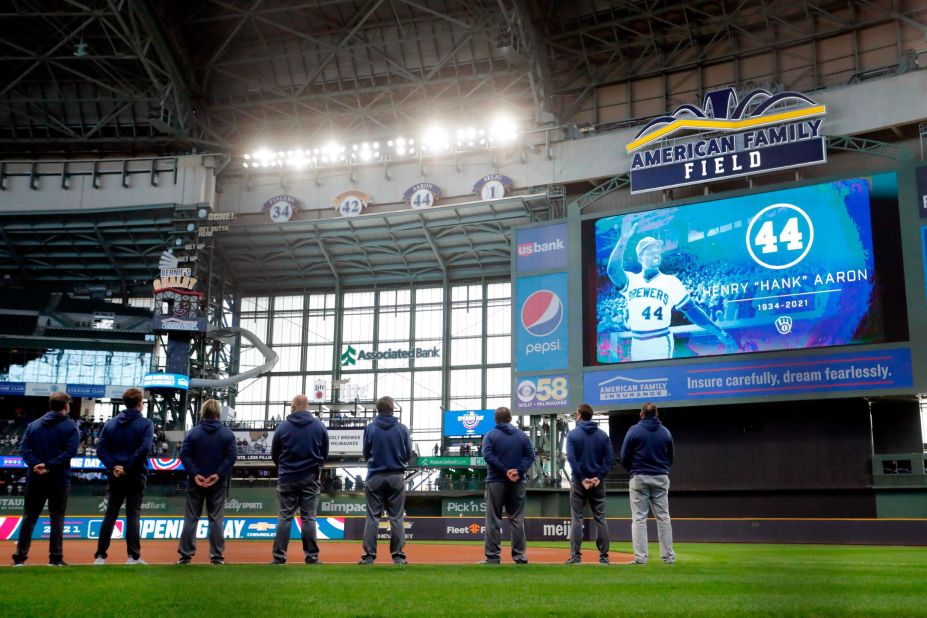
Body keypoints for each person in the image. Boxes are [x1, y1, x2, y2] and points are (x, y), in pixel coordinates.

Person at [606, 216, 737, 361]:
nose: (656, 252)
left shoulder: (671, 281)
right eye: (650, 250)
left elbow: (692, 310)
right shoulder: (632, 280)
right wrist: (624, 240)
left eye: (658, 249)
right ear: (640, 257)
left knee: (661, 380)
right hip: (636, 341)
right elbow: (612, 271)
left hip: (660, 340)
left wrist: (718, 332)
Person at [11, 391, 79, 566]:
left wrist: (37, 465)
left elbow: (24, 450)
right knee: (56, 517)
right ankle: (55, 558)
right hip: (59, 478)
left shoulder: (33, 425)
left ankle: (19, 559)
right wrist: (48, 465)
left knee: (29, 517)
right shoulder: (71, 426)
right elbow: (70, 452)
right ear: (66, 406)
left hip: (35, 477)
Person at [94, 388, 154, 565]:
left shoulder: (111, 424)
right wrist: (126, 467)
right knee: (133, 515)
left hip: (115, 475)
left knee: (110, 515)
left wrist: (115, 467)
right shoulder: (146, 424)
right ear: (139, 404)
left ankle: (100, 556)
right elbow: (144, 449)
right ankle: (133, 557)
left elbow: (100, 450)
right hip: (135, 474)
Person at [270, 394, 329, 565]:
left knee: (285, 518)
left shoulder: (282, 428)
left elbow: (275, 455)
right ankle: (312, 557)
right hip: (310, 478)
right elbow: (324, 454)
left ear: (293, 407)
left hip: (287, 478)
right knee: (309, 518)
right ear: (307, 407)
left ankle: (278, 557)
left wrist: (284, 468)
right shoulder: (319, 426)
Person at [177, 399, 237, 565]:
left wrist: (195, 474)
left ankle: (185, 556)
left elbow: (184, 455)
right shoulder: (227, 434)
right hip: (217, 484)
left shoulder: (193, 433)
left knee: (191, 518)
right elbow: (231, 457)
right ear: (218, 413)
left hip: (195, 483)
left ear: (203, 413)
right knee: (216, 519)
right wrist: (217, 475)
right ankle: (217, 557)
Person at [358, 396, 413, 565]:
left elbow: (366, 453)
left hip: (375, 476)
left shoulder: (371, 428)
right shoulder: (402, 429)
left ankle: (369, 556)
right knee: (396, 518)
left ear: (378, 409)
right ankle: (397, 556)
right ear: (393, 409)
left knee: (372, 517)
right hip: (396, 476)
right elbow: (408, 455)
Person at [620, 402, 675, 565]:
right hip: (660, 476)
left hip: (640, 477)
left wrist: (633, 470)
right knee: (664, 518)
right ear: (657, 414)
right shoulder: (665, 432)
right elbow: (671, 456)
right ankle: (668, 557)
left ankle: (641, 558)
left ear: (641, 414)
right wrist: (662, 468)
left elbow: (624, 456)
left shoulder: (634, 431)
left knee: (639, 519)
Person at [480, 406, 536, 564]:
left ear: (496, 419)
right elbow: (531, 455)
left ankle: (492, 557)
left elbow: (488, 456)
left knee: (493, 520)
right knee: (517, 520)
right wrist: (517, 471)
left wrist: (506, 471)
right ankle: (520, 556)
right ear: (510, 418)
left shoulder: (490, 435)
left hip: (496, 481)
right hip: (517, 482)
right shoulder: (522, 436)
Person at [565, 403, 615, 565]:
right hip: (597, 483)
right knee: (600, 518)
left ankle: (575, 557)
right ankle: (604, 557)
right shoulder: (602, 435)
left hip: (579, 483)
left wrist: (581, 478)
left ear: (579, 415)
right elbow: (609, 460)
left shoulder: (573, 435)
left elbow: (571, 459)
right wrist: (597, 477)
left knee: (577, 519)